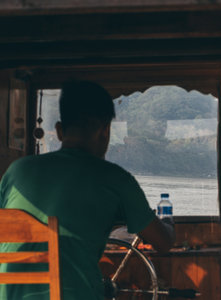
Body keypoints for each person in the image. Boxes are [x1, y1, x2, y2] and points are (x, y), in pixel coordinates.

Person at [0, 81, 175, 300]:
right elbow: (162, 243)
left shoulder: (17, 171)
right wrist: (167, 223)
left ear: (59, 131)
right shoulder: (116, 179)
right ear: (105, 132)